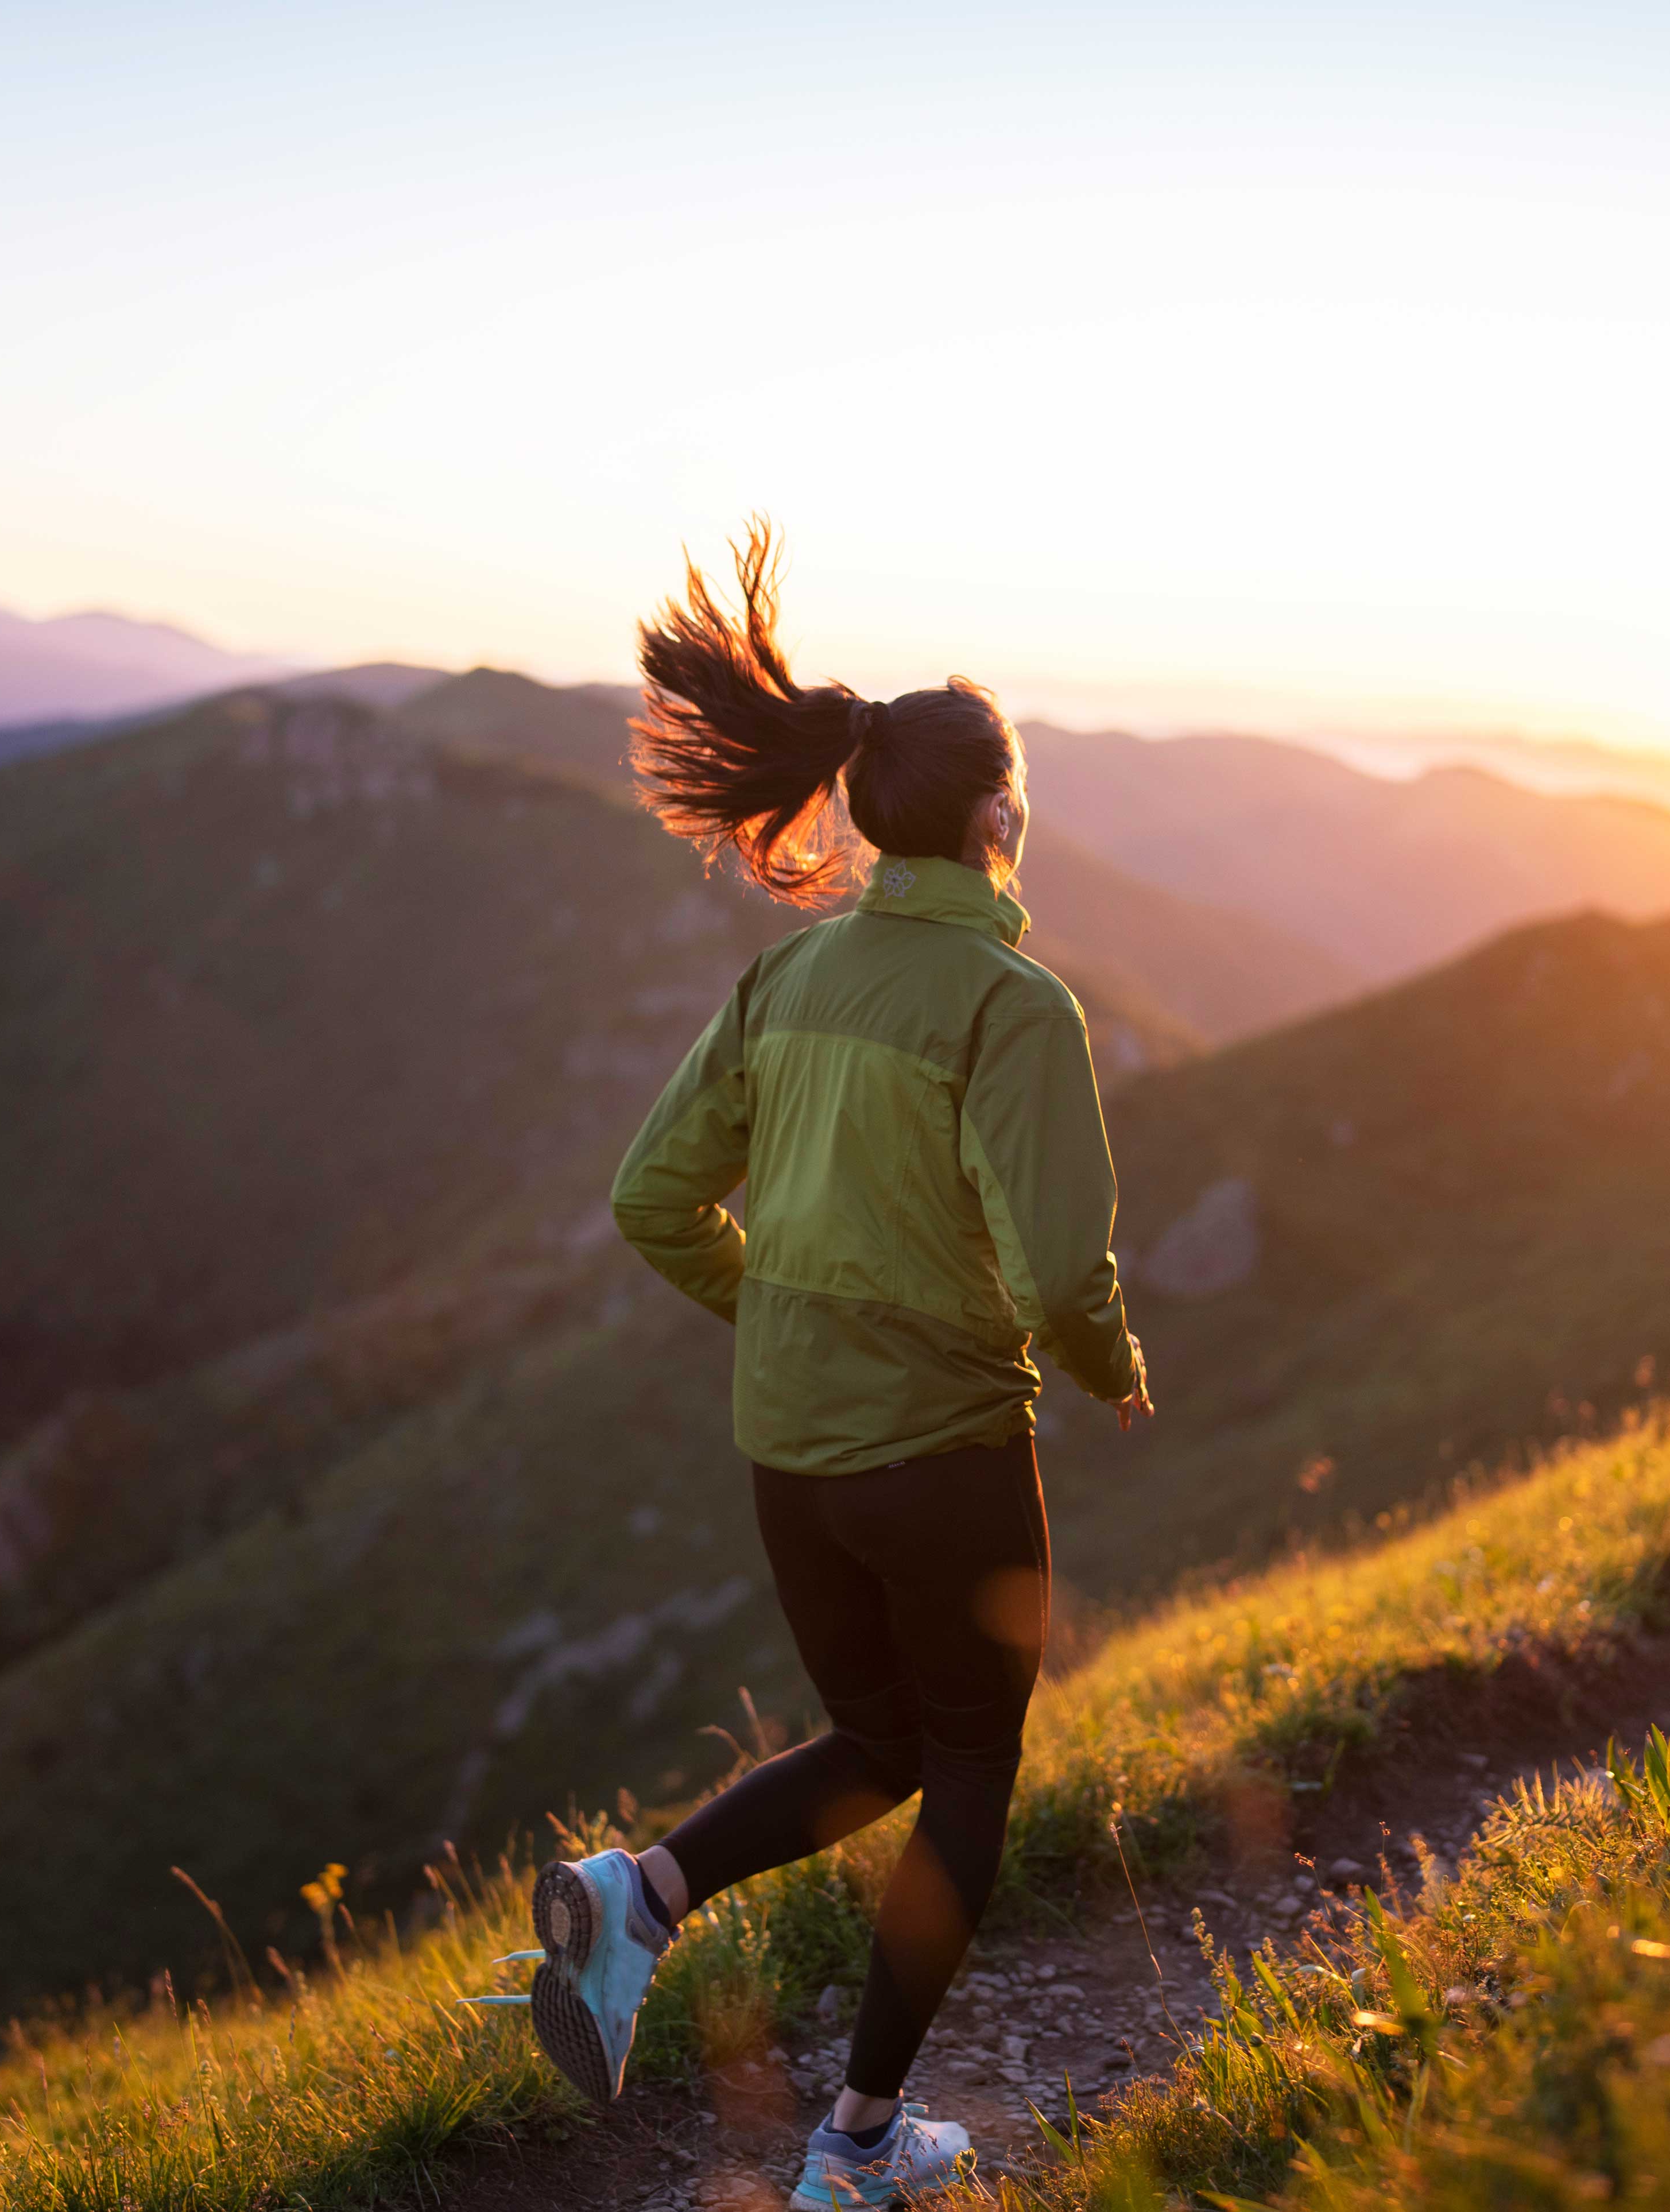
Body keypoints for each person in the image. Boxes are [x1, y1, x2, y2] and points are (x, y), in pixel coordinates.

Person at [512, 527, 1153, 2210]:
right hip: (941, 1449)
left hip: (787, 1450)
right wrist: (1111, 1366)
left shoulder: (790, 972)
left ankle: (636, 1896)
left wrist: (786, 1315)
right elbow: (1056, 1267)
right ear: (995, 818)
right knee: (972, 1773)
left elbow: (652, 1197)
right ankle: (859, 2150)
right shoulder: (1015, 1004)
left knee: (876, 1735)